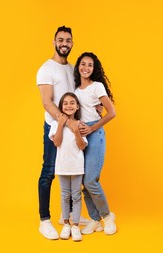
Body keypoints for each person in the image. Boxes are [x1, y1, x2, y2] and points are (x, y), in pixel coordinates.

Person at [36, 26, 89, 240]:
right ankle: (44, 220)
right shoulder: (46, 69)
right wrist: (66, 123)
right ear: (54, 42)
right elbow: (47, 102)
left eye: (68, 40)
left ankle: (66, 215)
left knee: (73, 169)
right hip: (54, 128)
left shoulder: (72, 68)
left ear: (72, 43)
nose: (64, 43)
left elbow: (77, 97)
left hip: (72, 127)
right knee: (49, 171)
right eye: (60, 40)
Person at [74, 52, 117, 235]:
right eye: (83, 64)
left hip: (94, 132)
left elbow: (111, 112)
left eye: (90, 65)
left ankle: (107, 217)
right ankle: (94, 219)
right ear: (78, 67)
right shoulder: (75, 90)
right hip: (80, 134)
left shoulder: (97, 86)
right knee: (83, 181)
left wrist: (92, 128)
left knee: (91, 180)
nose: (86, 68)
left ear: (94, 69)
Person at [49, 92, 87, 241]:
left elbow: (82, 146)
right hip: (63, 165)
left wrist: (76, 131)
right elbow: (57, 142)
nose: (69, 105)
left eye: (72, 103)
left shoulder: (80, 124)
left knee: (76, 196)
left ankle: (75, 225)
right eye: (65, 103)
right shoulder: (54, 124)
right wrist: (60, 125)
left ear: (77, 106)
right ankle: (66, 223)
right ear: (61, 107)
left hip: (77, 166)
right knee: (65, 196)